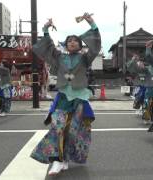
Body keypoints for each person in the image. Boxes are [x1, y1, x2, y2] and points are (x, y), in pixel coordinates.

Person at [30, 13, 101, 176]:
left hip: (79, 98)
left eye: (75, 40)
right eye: (69, 41)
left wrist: (93, 25)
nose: (72, 42)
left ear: (80, 45)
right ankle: (57, 160)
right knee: (58, 128)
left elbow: (96, 47)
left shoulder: (85, 58)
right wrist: (45, 30)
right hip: (62, 97)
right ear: (66, 45)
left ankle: (65, 157)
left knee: (73, 131)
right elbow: (47, 49)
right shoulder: (59, 57)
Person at [127, 53, 153, 124]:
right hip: (148, 88)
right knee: (146, 102)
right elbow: (135, 68)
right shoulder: (147, 69)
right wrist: (133, 60)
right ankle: (146, 117)